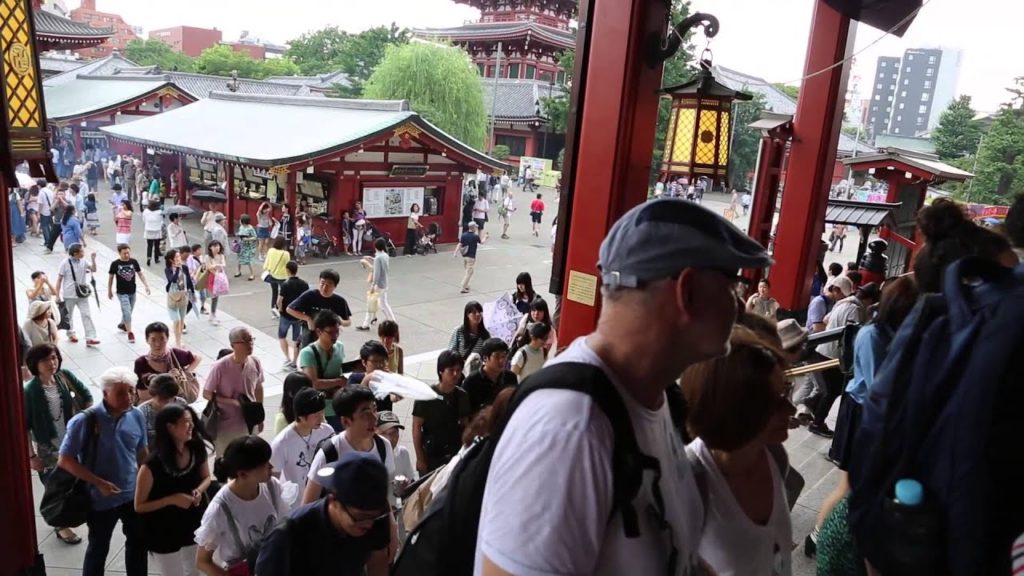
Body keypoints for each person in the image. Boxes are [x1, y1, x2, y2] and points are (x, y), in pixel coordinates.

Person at [476, 198, 772, 575]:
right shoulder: (568, 430)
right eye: (732, 286)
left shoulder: (651, 397)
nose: (740, 305)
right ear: (688, 291)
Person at [807, 276, 918, 564]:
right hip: (860, 412)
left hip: (874, 412)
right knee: (849, 485)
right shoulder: (872, 335)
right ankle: (818, 536)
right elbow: (875, 385)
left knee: (855, 484)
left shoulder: (896, 332)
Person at [680, 328, 795, 575]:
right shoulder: (687, 480)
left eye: (786, 391)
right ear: (734, 411)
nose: (791, 409)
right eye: (773, 403)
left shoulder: (775, 456)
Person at [58, 367, 148, 576]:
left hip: (132, 494)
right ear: (105, 393)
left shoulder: (136, 415)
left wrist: (148, 482)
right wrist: (99, 482)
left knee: (138, 542)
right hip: (100, 498)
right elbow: (65, 460)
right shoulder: (85, 421)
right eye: (121, 393)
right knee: (99, 547)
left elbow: (142, 452)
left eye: (131, 391)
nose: (128, 397)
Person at [255, 453, 393, 576]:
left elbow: (378, 561)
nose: (369, 524)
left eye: (375, 516)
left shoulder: (376, 518)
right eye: (360, 517)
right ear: (334, 501)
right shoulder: (287, 536)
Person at [24, 343, 93, 545]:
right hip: (48, 448)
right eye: (45, 360)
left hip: (72, 440)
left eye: (54, 358)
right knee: (55, 486)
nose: (51, 363)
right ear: (35, 364)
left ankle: (70, 514)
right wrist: (31, 456)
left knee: (75, 481)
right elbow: (24, 427)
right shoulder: (30, 391)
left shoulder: (64, 377)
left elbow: (87, 396)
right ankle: (60, 525)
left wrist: (84, 419)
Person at [134, 404, 212, 576]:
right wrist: (172, 499)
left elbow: (206, 477)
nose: (191, 426)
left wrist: (199, 490)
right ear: (170, 427)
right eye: (186, 422)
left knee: (194, 570)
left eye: (192, 421)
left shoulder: (196, 448)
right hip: (162, 528)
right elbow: (139, 506)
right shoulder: (151, 465)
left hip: (192, 519)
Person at [194, 436, 289, 576]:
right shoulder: (220, 509)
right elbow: (202, 561)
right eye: (264, 464)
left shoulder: (272, 486)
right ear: (243, 474)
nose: (271, 466)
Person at [302, 385, 396, 508]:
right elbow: (307, 506)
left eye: (374, 410)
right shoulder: (330, 453)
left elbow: (386, 495)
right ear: (346, 421)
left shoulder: (383, 446)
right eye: (365, 414)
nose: (374, 418)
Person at [808, 282, 880, 438]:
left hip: (823, 350)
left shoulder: (842, 303)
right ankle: (817, 422)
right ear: (869, 299)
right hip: (833, 355)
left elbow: (825, 319)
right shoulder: (856, 309)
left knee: (830, 389)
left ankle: (813, 406)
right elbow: (854, 336)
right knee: (833, 390)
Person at [204, 328, 265, 455]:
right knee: (227, 457)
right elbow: (206, 394)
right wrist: (232, 402)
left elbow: (258, 388)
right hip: (226, 423)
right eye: (245, 340)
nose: (250, 344)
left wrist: (259, 415)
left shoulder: (255, 362)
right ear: (233, 345)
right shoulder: (220, 367)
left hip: (249, 419)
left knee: (249, 456)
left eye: (251, 340)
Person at [269, 387, 335, 498]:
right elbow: (273, 481)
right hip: (297, 501)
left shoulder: (327, 431)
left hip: (324, 498)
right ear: (301, 416)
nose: (321, 418)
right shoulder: (281, 443)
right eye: (316, 415)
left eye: (322, 413)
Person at [298, 311, 347, 432]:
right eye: (330, 332)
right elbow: (313, 383)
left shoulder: (340, 346)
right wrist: (338, 382)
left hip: (340, 404)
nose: (335, 336)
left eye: (337, 331)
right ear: (319, 331)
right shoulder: (308, 353)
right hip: (321, 410)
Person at [134, 322, 201, 404]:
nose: (158, 344)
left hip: (176, 405)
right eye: (153, 340)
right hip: (155, 406)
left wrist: (187, 371)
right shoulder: (141, 363)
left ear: (167, 338)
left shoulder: (175, 354)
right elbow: (143, 395)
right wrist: (169, 380)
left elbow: (197, 358)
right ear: (147, 340)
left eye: (162, 339)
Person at [286, 268, 353, 347]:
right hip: (309, 336)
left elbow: (348, 322)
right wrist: (308, 319)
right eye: (322, 283)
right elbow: (289, 309)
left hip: (328, 338)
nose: (324, 287)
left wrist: (340, 322)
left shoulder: (339, 301)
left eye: (329, 284)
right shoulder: (310, 295)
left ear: (335, 286)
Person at [55, 244, 100, 346]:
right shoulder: (65, 263)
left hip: (82, 293)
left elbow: (93, 269)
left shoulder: (83, 261)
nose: (83, 253)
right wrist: (57, 295)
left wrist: (93, 259)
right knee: (69, 315)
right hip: (69, 293)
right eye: (81, 251)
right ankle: (71, 333)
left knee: (86, 314)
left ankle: (90, 337)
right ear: (75, 253)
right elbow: (59, 279)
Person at [462, 338, 518, 414]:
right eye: (497, 356)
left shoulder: (510, 378)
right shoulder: (471, 381)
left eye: (504, 356)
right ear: (485, 358)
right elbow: (465, 412)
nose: (502, 360)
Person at [109, 244, 151, 344]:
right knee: (127, 311)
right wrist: (109, 290)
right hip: (121, 292)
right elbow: (111, 277)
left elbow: (140, 274)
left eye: (128, 253)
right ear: (119, 253)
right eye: (124, 253)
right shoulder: (115, 264)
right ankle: (130, 332)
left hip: (132, 291)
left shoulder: (133, 262)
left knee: (129, 310)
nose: (127, 255)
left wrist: (146, 285)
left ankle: (123, 324)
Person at [136, 374, 188, 449]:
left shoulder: (181, 404)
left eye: (172, 398)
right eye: (164, 399)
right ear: (153, 395)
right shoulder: (142, 413)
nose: (169, 402)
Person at [345, 340, 394, 412]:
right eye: (375, 361)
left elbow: (393, 398)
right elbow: (352, 403)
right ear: (364, 362)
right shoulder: (355, 378)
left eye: (383, 361)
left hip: (384, 417)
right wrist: (368, 378)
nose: (380, 365)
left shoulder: (386, 379)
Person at [277, 261, 308, 370]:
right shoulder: (304, 284)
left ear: (287, 270)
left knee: (282, 336)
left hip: (286, 315)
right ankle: (294, 361)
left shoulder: (285, 284)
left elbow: (279, 300)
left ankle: (287, 358)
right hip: (298, 315)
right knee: (296, 339)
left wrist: (280, 309)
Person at [359, 238, 395, 331]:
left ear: (375, 247)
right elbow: (380, 262)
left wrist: (373, 285)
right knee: (384, 304)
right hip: (385, 283)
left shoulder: (378, 258)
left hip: (378, 284)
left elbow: (377, 273)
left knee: (371, 303)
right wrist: (372, 259)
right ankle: (392, 321)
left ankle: (366, 324)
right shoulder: (385, 255)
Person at [164, 249, 196, 347]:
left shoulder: (184, 267)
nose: (179, 258)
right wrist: (177, 269)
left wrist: (192, 293)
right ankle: (177, 342)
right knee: (176, 320)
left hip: (183, 295)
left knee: (182, 320)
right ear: (171, 260)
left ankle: (179, 339)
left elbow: (189, 281)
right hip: (173, 296)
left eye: (179, 256)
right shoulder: (168, 269)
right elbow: (172, 280)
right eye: (176, 257)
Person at [454, 221, 487, 294]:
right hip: (471, 257)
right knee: (469, 273)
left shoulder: (464, 235)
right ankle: (463, 287)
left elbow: (460, 244)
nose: (476, 228)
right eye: (476, 227)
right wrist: (485, 237)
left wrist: (455, 252)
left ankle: (467, 285)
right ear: (473, 228)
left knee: (468, 271)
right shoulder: (475, 236)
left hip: (465, 256)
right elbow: (482, 242)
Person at [263, 236, 291, 319]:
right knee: (283, 294)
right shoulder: (286, 254)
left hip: (272, 275)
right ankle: (281, 310)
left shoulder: (270, 251)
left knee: (274, 292)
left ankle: (273, 308)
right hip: (282, 276)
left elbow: (266, 262)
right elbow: (288, 265)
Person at [203, 240, 229, 326]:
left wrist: (216, 266)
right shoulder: (207, 257)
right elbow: (209, 267)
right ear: (210, 247)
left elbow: (223, 265)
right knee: (210, 295)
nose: (216, 248)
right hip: (211, 278)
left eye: (217, 246)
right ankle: (205, 309)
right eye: (214, 246)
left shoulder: (221, 256)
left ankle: (213, 314)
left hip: (219, 278)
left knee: (215, 297)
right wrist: (217, 267)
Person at [235, 213, 258, 279]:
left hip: (248, 247)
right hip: (241, 246)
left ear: (243, 221)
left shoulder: (250, 228)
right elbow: (240, 233)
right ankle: (238, 271)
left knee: (249, 260)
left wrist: (247, 239)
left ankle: (252, 274)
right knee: (239, 259)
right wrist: (238, 235)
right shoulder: (241, 227)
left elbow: (255, 237)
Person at [143, 200, 164, 266]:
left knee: (149, 245)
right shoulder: (160, 212)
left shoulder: (146, 211)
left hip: (148, 230)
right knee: (157, 246)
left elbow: (144, 220)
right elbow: (161, 221)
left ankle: (149, 258)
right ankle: (156, 259)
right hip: (157, 230)